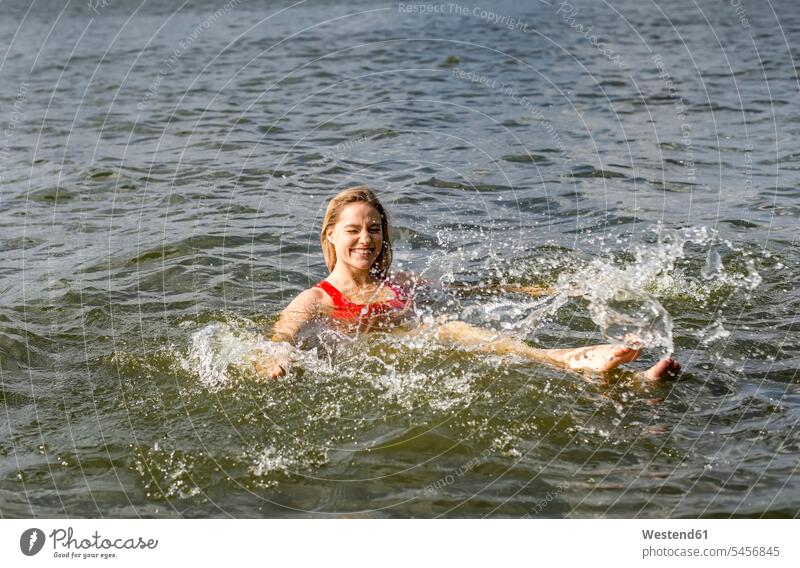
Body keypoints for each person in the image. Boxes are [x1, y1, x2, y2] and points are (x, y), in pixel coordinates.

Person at [255, 186, 680, 381]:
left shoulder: (399, 284)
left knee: (454, 328)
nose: (365, 239)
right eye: (353, 230)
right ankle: (570, 359)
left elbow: (473, 291)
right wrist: (277, 359)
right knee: (450, 330)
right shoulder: (316, 298)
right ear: (330, 234)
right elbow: (282, 333)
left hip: (418, 359)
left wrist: (544, 292)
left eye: (374, 229)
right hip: (368, 369)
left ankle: (627, 379)